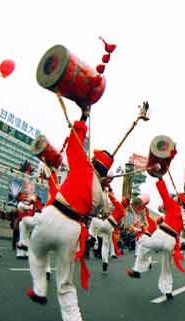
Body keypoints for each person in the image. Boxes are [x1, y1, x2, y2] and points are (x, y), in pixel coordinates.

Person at [27, 107, 113, 321]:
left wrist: (84, 116)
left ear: (93, 163)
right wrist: (103, 185)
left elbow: (75, 141)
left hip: (53, 215)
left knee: (36, 254)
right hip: (73, 230)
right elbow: (100, 208)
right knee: (65, 283)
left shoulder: (83, 167)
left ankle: (39, 289)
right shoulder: (101, 197)